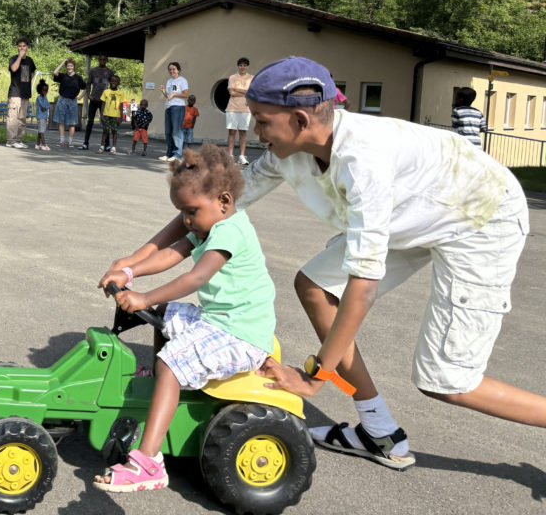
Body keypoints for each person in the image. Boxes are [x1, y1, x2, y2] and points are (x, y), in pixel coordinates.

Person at [236, 56, 540, 470]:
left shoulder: (362, 164)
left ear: (301, 120)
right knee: (314, 286)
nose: (255, 130)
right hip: (413, 209)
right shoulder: (288, 151)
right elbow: (218, 201)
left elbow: (362, 291)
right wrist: (138, 264)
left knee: (447, 381)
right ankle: (380, 433)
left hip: (480, 216)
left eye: (261, 120)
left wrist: (314, 378)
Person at [93, 146, 276, 493]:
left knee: (172, 360)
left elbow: (195, 278)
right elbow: (170, 254)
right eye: (182, 213)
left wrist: (143, 296)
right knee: (163, 316)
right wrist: (129, 270)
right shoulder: (211, 225)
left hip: (240, 334)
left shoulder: (230, 232)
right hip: (219, 322)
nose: (186, 221)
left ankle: (148, 463)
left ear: (223, 200)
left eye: (191, 212)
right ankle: (162, 381)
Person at [6, 37, 36, 149]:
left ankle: (19, 140)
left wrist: (27, 81)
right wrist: (19, 56)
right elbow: (14, 69)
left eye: (24, 46)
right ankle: (10, 141)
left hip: (25, 93)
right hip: (15, 93)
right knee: (13, 118)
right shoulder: (13, 58)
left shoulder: (30, 60)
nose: (22, 48)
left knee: (22, 119)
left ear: (27, 47)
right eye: (20, 46)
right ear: (17, 48)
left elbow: (32, 72)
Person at [81, 55, 116, 150]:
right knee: (90, 122)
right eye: (101, 59)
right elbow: (88, 84)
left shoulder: (109, 72)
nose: (102, 61)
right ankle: (85, 143)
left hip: (104, 101)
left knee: (105, 123)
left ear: (107, 60)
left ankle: (107, 145)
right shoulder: (93, 71)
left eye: (104, 59)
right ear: (98, 60)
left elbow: (114, 84)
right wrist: (88, 94)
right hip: (94, 99)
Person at [158, 61, 189, 162]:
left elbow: (185, 95)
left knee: (177, 131)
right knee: (168, 132)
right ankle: (169, 154)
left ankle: (177, 155)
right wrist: (164, 92)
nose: (172, 71)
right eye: (170, 69)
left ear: (178, 70)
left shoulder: (182, 80)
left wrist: (175, 94)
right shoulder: (169, 81)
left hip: (178, 107)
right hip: (169, 107)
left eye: (174, 69)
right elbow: (168, 96)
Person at [53, 57, 87, 147]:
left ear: (74, 67)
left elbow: (86, 88)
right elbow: (55, 72)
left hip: (72, 101)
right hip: (62, 100)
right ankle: (61, 141)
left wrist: (80, 97)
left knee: (72, 122)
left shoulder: (78, 78)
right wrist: (63, 62)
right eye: (68, 66)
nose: (69, 67)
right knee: (61, 121)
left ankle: (70, 141)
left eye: (71, 66)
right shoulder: (63, 76)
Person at [226, 57, 252, 165]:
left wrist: (237, 89)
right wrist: (244, 92)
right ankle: (230, 156)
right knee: (232, 132)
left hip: (246, 109)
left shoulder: (251, 78)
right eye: (241, 65)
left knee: (243, 132)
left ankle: (242, 156)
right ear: (238, 66)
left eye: (244, 65)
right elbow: (231, 93)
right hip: (232, 108)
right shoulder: (232, 77)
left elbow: (251, 92)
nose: (242, 67)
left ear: (247, 66)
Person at [98, 74, 124, 155]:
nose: (114, 82)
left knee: (114, 131)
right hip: (106, 114)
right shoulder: (106, 92)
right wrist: (101, 114)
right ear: (109, 82)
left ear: (119, 83)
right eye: (112, 81)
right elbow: (103, 103)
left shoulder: (121, 93)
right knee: (105, 131)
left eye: (116, 81)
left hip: (116, 116)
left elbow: (121, 105)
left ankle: (113, 148)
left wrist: (121, 116)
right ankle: (101, 147)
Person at [34, 80, 51, 151]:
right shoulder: (39, 98)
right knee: (42, 131)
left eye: (46, 90)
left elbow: (48, 105)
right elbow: (44, 106)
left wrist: (46, 107)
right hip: (40, 116)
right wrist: (46, 107)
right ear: (40, 90)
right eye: (44, 90)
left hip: (44, 116)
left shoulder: (45, 97)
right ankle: (44, 144)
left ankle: (38, 144)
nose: (45, 92)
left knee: (40, 131)